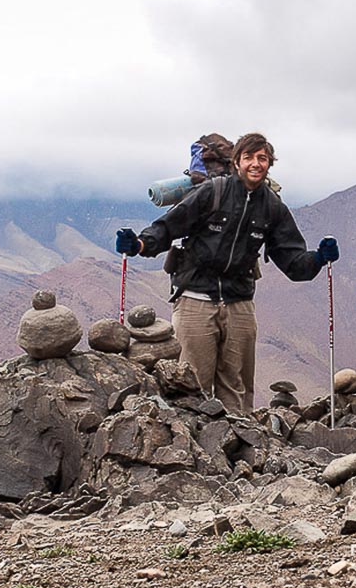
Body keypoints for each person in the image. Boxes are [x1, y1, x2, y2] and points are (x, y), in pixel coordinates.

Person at [115, 132, 339, 415]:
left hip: (239, 303)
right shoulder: (212, 192)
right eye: (249, 158)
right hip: (195, 298)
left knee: (236, 388)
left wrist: (318, 258)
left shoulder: (272, 207)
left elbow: (293, 261)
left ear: (270, 164)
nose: (256, 164)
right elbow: (170, 226)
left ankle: (241, 450)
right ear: (236, 162)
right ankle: (192, 450)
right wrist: (140, 244)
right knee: (190, 385)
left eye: (262, 158)